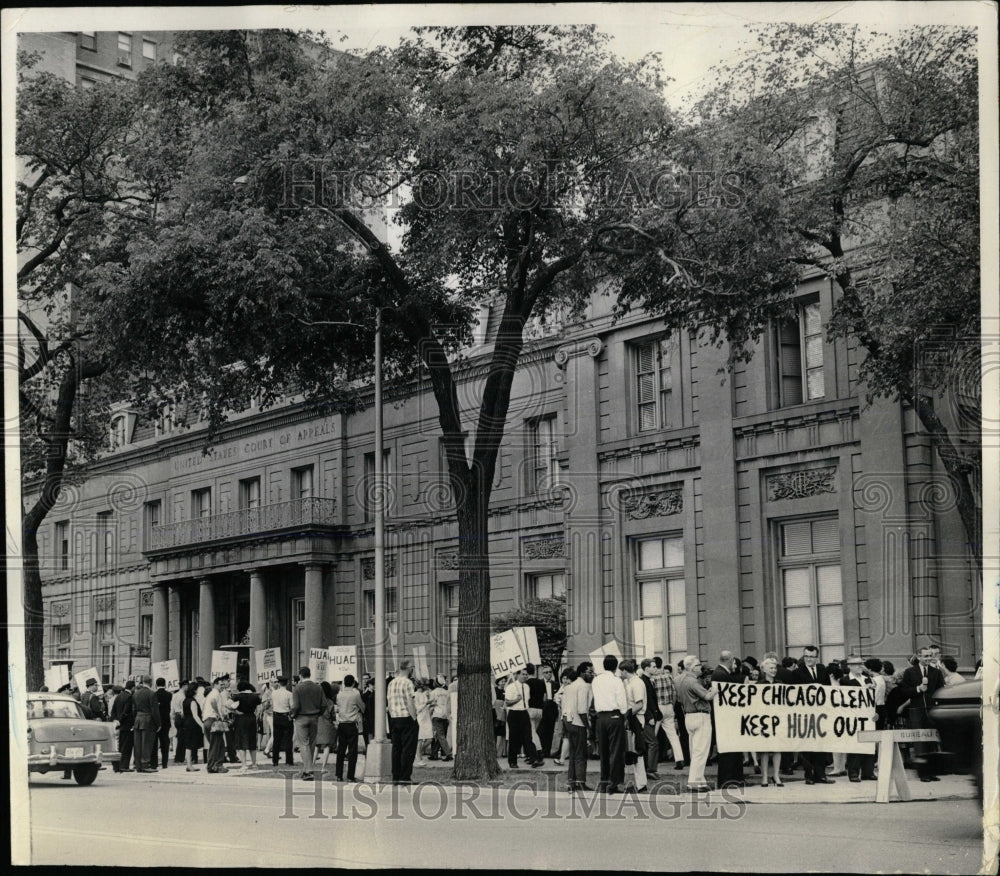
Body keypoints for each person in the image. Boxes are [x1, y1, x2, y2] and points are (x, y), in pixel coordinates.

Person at [897, 645, 945, 782]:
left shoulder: (936, 672)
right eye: (926, 656)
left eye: (930, 656)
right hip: (916, 710)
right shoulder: (910, 672)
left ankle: (932, 771)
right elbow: (904, 691)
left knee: (931, 741)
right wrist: (918, 689)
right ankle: (922, 773)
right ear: (918, 657)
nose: (929, 658)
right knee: (919, 741)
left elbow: (940, 690)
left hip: (931, 710)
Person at [792, 646, 835, 785]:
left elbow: (828, 690)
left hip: (822, 714)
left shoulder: (822, 670)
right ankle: (808, 776)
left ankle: (821, 775)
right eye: (806, 656)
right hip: (805, 715)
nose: (809, 659)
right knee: (807, 746)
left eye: (812, 656)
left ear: (817, 657)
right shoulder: (797, 672)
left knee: (821, 745)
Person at [675, 655, 718, 792]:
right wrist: (714, 689)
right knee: (701, 752)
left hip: (688, 715)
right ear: (693, 668)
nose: (701, 667)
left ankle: (700, 781)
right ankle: (694, 782)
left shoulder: (678, 679)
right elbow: (707, 696)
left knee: (695, 750)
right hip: (700, 715)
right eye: (698, 665)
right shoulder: (693, 682)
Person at [591, 654, 628, 794]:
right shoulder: (616, 681)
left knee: (604, 750)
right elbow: (621, 700)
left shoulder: (596, 680)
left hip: (600, 717)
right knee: (616, 750)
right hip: (614, 715)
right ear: (616, 667)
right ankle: (614, 783)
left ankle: (604, 781)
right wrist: (624, 714)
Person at [711, 651, 745, 789]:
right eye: (734, 661)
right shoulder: (721, 674)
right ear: (730, 660)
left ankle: (733, 779)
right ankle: (728, 780)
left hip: (726, 717)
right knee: (728, 751)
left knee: (731, 750)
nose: (735, 664)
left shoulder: (721, 673)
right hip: (725, 718)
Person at [841, 656, 877, 782]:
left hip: (868, 716)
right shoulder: (844, 681)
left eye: (861, 664)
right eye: (856, 664)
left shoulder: (868, 679)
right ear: (849, 666)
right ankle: (854, 772)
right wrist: (863, 690)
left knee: (869, 742)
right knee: (854, 745)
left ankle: (868, 771)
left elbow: (874, 699)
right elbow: (845, 699)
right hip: (853, 716)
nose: (860, 666)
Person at [387, 661, 419, 784]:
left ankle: (396, 776)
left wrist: (392, 715)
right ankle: (405, 777)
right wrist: (414, 718)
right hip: (406, 717)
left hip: (394, 718)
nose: (413, 670)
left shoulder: (391, 683)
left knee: (396, 748)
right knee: (408, 749)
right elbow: (410, 703)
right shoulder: (408, 683)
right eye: (412, 668)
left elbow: (389, 703)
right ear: (409, 668)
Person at [290, 666, 325, 781]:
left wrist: (292, 715)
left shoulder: (297, 688)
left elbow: (295, 706)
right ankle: (306, 770)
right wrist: (319, 713)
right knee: (312, 744)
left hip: (301, 717)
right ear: (310, 674)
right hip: (314, 717)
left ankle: (309, 771)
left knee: (303, 744)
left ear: (300, 675)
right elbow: (324, 704)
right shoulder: (318, 687)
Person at [505, 667, 543, 770]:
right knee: (514, 738)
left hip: (524, 713)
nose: (525, 676)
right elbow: (507, 702)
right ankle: (512, 761)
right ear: (517, 675)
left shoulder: (527, 687)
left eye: (526, 674)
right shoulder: (511, 687)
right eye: (523, 674)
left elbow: (527, 700)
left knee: (528, 736)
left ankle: (534, 758)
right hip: (514, 714)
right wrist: (516, 700)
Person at [619, 659, 649, 792]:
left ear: (625, 670)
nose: (620, 673)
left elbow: (639, 704)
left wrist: (626, 715)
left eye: (621, 671)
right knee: (634, 751)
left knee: (637, 750)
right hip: (634, 717)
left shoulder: (636, 683)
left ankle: (641, 784)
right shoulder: (632, 682)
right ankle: (640, 783)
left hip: (636, 718)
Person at [755, 656, 783, 787]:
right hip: (764, 720)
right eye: (771, 668)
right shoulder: (759, 685)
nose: (773, 670)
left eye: (775, 667)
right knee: (764, 749)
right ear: (764, 670)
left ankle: (776, 775)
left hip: (778, 719)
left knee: (777, 748)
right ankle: (764, 776)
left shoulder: (780, 683)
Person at [203, 676, 238, 774]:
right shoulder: (215, 693)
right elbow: (213, 702)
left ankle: (215, 765)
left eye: (223, 684)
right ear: (215, 684)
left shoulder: (211, 693)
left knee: (218, 744)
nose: (223, 686)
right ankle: (214, 766)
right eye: (221, 684)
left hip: (207, 720)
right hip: (213, 720)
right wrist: (218, 714)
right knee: (217, 744)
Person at [335, 674, 365, 782]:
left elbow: (338, 707)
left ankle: (338, 774)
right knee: (352, 751)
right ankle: (350, 775)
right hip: (352, 724)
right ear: (353, 683)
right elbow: (362, 707)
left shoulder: (339, 694)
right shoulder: (355, 694)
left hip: (342, 723)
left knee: (341, 750)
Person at [132, 675, 161, 773]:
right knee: (147, 743)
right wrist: (158, 723)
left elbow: (134, 709)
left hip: (138, 719)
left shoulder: (136, 693)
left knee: (138, 744)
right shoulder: (151, 694)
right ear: (151, 682)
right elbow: (154, 710)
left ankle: (138, 765)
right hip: (148, 720)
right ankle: (145, 764)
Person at [233, 681, 261, 771]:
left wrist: (236, 711)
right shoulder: (254, 696)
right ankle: (254, 764)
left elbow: (227, 704)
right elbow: (260, 707)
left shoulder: (237, 696)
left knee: (242, 741)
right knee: (252, 740)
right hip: (252, 718)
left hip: (241, 718)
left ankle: (244, 764)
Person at [111, 679, 136, 772]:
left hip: (119, 725)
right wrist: (121, 720)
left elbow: (113, 710)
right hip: (127, 725)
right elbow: (126, 712)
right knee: (127, 746)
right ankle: (124, 765)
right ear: (132, 687)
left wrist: (115, 721)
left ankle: (117, 766)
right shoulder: (129, 697)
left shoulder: (118, 696)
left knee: (119, 746)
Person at [314, 681, 339, 774]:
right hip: (327, 725)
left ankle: (311, 766)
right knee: (327, 747)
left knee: (316, 746)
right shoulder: (330, 702)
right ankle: (323, 767)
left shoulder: (316, 700)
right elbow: (333, 716)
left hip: (317, 724)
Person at [524, 663, 547, 761]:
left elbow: (526, 698)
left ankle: (539, 751)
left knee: (532, 733)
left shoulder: (526, 684)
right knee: (533, 732)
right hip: (540, 710)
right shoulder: (541, 682)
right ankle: (532, 755)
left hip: (530, 709)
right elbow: (545, 697)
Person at [270, 677, 295, 766]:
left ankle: (275, 761)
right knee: (288, 739)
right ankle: (289, 760)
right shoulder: (289, 694)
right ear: (287, 683)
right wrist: (291, 716)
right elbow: (292, 707)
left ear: (279, 683)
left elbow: (272, 704)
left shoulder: (274, 693)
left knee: (276, 739)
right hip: (286, 716)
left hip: (276, 716)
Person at [181, 682, 204, 772]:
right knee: (190, 745)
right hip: (192, 724)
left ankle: (189, 764)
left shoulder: (185, 700)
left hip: (186, 722)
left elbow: (183, 714)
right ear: (194, 690)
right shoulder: (193, 701)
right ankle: (189, 765)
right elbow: (195, 715)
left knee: (188, 745)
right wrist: (202, 725)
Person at [429, 679, 453, 762]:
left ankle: (448, 753)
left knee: (440, 736)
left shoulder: (433, 692)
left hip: (437, 714)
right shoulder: (446, 692)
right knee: (441, 735)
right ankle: (434, 753)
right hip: (445, 715)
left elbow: (430, 703)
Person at [538, 664, 559, 758]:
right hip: (543, 707)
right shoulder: (540, 683)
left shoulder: (556, 684)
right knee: (542, 730)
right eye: (546, 672)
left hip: (552, 707)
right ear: (543, 674)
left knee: (551, 730)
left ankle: (547, 751)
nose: (548, 674)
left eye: (550, 672)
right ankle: (541, 750)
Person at [154, 678, 173, 770]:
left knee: (155, 742)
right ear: (165, 684)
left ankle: (155, 762)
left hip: (156, 721)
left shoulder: (154, 694)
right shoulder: (169, 695)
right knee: (165, 742)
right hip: (166, 721)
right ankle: (165, 763)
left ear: (156, 684)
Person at [414, 681, 433, 767]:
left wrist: (430, 705)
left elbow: (426, 706)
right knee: (420, 739)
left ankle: (418, 753)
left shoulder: (424, 694)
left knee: (429, 738)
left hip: (426, 717)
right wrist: (426, 703)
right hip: (420, 718)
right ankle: (419, 758)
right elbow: (417, 709)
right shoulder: (416, 695)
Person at [171, 681, 189, 764]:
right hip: (181, 716)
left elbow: (172, 707)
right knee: (182, 737)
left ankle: (178, 756)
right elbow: (183, 708)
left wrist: (172, 716)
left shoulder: (175, 695)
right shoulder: (183, 696)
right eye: (187, 685)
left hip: (176, 716)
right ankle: (180, 756)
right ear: (184, 686)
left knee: (179, 736)